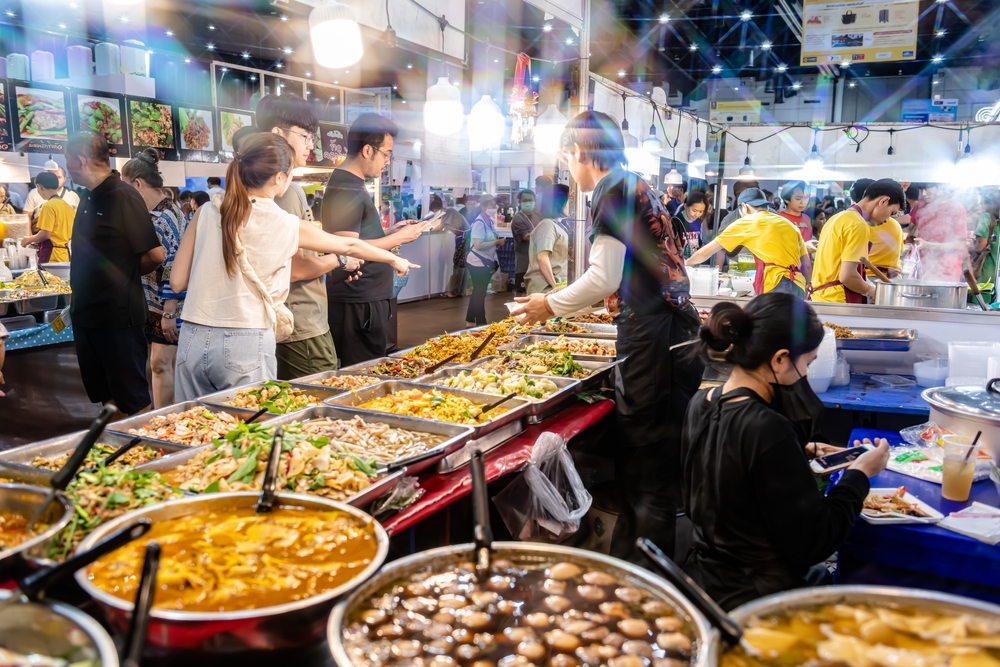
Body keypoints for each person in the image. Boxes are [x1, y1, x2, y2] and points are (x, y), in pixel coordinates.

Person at [513, 110, 703, 564]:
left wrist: (548, 305)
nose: (568, 170)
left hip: (652, 340)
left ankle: (647, 576)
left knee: (645, 464)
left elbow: (603, 276)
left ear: (581, 151)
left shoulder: (612, 189)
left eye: (566, 159)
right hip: (670, 334)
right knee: (656, 462)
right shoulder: (632, 182)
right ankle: (652, 566)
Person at [171, 133, 416, 400]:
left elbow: (177, 282)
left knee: (195, 431)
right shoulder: (282, 221)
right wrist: (394, 258)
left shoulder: (207, 211)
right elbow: (347, 246)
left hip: (192, 338)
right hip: (245, 338)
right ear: (279, 178)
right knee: (251, 434)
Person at [682, 295, 889, 610]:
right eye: (807, 362)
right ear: (779, 359)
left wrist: (799, 452)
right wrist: (859, 475)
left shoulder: (703, 402)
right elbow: (815, 542)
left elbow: (728, 476)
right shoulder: (769, 429)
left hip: (704, 583)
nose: (805, 373)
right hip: (758, 600)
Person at [65, 131, 165, 417]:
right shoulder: (87, 196)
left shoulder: (123, 194)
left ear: (81, 160)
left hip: (118, 319)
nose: (66, 168)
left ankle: (143, 453)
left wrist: (123, 278)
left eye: (68, 161)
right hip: (87, 317)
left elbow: (155, 255)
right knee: (104, 396)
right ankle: (118, 453)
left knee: (132, 398)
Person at [322, 113, 429, 366]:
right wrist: (398, 239)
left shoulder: (354, 184)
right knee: (362, 375)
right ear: (368, 150)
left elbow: (357, 239)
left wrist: (391, 233)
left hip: (367, 300)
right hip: (358, 303)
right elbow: (346, 250)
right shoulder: (345, 188)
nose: (387, 163)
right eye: (386, 154)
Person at [256, 93, 350, 380]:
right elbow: (294, 269)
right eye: (305, 136)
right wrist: (340, 260)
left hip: (292, 322)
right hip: (301, 323)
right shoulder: (282, 190)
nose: (311, 145)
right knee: (319, 409)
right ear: (277, 134)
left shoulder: (266, 189)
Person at [121, 148, 187, 407]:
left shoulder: (160, 218)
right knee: (166, 364)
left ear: (137, 184)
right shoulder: (171, 208)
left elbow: (173, 263)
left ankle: (162, 423)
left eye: (125, 187)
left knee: (159, 365)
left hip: (166, 303)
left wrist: (169, 312)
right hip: (166, 302)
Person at [686, 188, 810, 298]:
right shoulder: (789, 224)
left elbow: (707, 251)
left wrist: (686, 263)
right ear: (766, 206)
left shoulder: (748, 221)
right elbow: (806, 265)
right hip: (798, 284)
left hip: (776, 284)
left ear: (744, 207)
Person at [810, 179, 905, 303]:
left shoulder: (837, 218)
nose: (888, 220)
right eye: (892, 213)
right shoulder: (858, 224)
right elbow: (847, 276)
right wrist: (872, 291)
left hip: (821, 297)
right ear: (883, 201)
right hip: (838, 300)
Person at [911, 183, 968, 283]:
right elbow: (911, 228)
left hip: (946, 271)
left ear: (940, 187)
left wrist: (927, 245)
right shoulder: (921, 203)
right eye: (921, 190)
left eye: (927, 189)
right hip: (922, 268)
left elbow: (960, 245)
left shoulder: (956, 208)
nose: (923, 194)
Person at [19, 171, 75, 263]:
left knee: (48, 278)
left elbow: (45, 234)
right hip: (65, 255)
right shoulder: (68, 207)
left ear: (39, 187)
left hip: (51, 256)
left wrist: (28, 239)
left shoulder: (48, 206)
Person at [465, 195, 504, 326]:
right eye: (491, 205)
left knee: (478, 292)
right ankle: (481, 323)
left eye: (495, 205)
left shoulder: (490, 222)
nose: (494, 208)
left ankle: (470, 320)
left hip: (485, 261)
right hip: (477, 263)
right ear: (483, 207)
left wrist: (496, 241)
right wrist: (496, 242)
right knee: (480, 293)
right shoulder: (479, 223)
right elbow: (478, 245)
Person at [524, 184, 570, 294]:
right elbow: (542, 258)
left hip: (556, 286)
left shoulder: (558, 225)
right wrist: (555, 288)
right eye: (570, 201)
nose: (573, 205)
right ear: (559, 202)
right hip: (546, 288)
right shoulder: (547, 225)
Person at [714, 179, 760, 269]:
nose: (744, 198)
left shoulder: (771, 215)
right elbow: (721, 249)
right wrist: (718, 274)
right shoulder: (729, 219)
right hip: (737, 270)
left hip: (766, 272)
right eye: (739, 194)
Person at [511, 189, 543, 294]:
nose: (528, 202)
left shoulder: (538, 215)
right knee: (523, 293)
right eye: (525, 200)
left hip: (538, 262)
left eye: (531, 200)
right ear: (519, 202)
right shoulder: (517, 218)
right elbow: (526, 236)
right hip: (524, 261)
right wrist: (544, 235)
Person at [971, 190, 1000, 298]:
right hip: (995, 272)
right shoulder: (997, 220)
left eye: (981, 202)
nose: (979, 204)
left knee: (980, 306)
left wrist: (966, 246)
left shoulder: (985, 217)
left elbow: (980, 247)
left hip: (984, 272)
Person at [673, 192, 707, 258]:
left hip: (694, 263)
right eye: (694, 210)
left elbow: (699, 243)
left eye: (701, 211)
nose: (697, 215)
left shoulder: (698, 222)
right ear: (685, 206)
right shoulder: (675, 221)